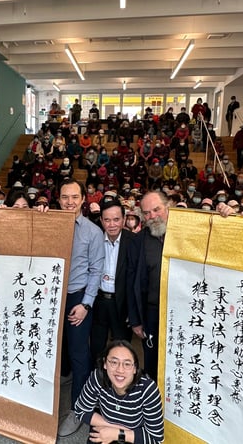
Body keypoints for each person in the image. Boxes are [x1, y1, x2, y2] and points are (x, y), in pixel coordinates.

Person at [56, 180, 105, 437]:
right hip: (51, 295)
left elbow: (96, 272)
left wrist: (86, 304)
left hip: (77, 297)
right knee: (55, 348)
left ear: (83, 199)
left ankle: (78, 409)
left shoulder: (92, 232)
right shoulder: (49, 224)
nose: (70, 202)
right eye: (65, 197)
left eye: (75, 197)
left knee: (78, 352)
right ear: (58, 198)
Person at [73, 340, 164, 444]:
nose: (120, 370)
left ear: (135, 369)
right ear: (105, 364)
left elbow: (156, 439)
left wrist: (118, 434)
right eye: (114, 362)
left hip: (133, 438)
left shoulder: (147, 389)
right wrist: (114, 429)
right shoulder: (98, 377)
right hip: (106, 429)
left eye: (127, 364)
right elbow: (80, 410)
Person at [127, 191, 171, 381]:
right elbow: (130, 283)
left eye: (156, 210)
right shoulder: (138, 242)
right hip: (151, 312)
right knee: (152, 362)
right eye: (146, 213)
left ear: (168, 207)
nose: (152, 216)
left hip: (181, 312)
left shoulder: (186, 234)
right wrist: (135, 320)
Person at [90, 200, 135, 363]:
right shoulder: (94, 238)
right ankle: (98, 381)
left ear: (123, 219)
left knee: (121, 348)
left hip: (121, 303)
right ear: (101, 220)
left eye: (116, 219)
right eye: (107, 220)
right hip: (99, 300)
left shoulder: (133, 242)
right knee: (96, 347)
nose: (112, 224)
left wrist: (133, 310)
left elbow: (136, 279)